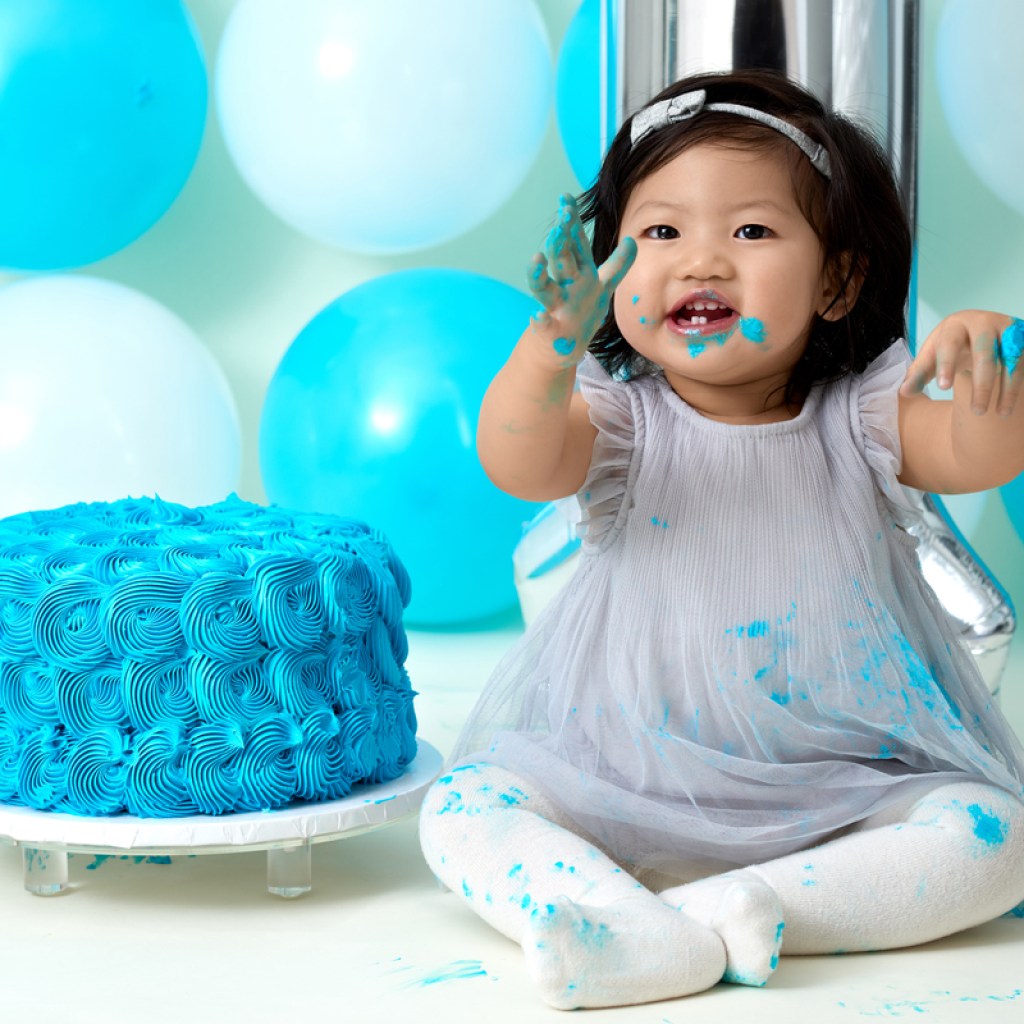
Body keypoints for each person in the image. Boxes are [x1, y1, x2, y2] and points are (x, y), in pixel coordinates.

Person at [417, 69, 1024, 1010]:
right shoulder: (622, 423)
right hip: (624, 775)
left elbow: (977, 453)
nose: (700, 260)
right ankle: (628, 915)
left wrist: (998, 375)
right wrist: (550, 346)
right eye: (661, 232)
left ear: (836, 282)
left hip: (836, 787)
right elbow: (518, 461)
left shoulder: (861, 418)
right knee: (462, 809)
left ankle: (732, 909)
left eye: (750, 232)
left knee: (995, 839)